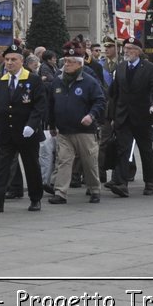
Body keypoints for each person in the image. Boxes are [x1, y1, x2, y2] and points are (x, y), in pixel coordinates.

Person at [0, 46, 47, 213]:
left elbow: (39, 106)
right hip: (5, 133)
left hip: (26, 133)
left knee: (31, 167)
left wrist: (32, 125)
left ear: (21, 61)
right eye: (7, 59)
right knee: (1, 168)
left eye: (13, 60)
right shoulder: (0, 83)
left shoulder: (33, 80)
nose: (9, 63)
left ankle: (35, 198)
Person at [106, 38, 153, 197]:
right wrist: (112, 115)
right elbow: (114, 93)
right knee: (123, 149)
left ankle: (150, 181)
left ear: (138, 51)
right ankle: (122, 183)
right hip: (123, 116)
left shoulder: (149, 68)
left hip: (142, 115)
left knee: (145, 150)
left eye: (130, 48)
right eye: (125, 48)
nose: (126, 50)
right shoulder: (121, 67)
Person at [46, 49, 103, 205]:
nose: (67, 65)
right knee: (63, 161)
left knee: (89, 162)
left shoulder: (89, 81)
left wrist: (91, 116)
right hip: (64, 130)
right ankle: (60, 192)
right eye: (65, 61)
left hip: (84, 131)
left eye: (70, 62)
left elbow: (100, 101)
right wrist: (52, 124)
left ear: (79, 64)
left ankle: (94, 189)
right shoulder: (57, 81)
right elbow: (51, 104)